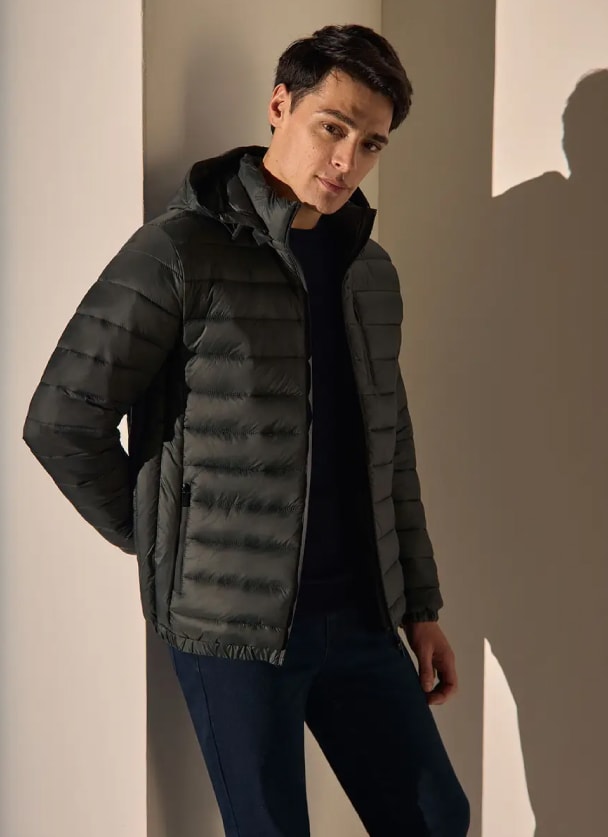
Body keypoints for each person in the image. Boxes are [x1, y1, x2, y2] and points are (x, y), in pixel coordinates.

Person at [23, 23, 469, 837]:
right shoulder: (181, 251)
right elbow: (61, 417)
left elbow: (390, 445)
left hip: (361, 615)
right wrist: (169, 541)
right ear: (279, 105)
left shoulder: (370, 271)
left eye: (371, 144)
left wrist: (421, 603)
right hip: (233, 631)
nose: (346, 160)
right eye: (333, 127)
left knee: (436, 816)